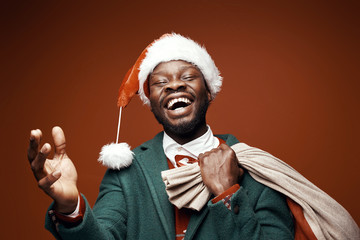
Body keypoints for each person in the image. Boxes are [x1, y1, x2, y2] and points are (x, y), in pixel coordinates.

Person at [27, 33, 296, 239]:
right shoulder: (126, 173)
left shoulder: (257, 168)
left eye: (188, 77)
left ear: (209, 90)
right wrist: (71, 206)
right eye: (160, 83)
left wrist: (228, 193)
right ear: (151, 101)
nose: (175, 85)